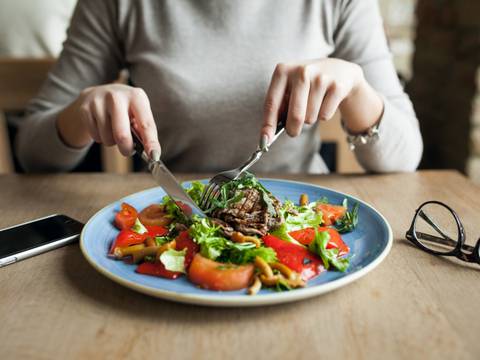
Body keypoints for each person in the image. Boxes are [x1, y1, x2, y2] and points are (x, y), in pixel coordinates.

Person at [16, 0, 423, 173]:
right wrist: (83, 113)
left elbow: (406, 156)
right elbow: (33, 152)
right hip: (169, 223)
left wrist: (355, 90)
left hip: (301, 226)